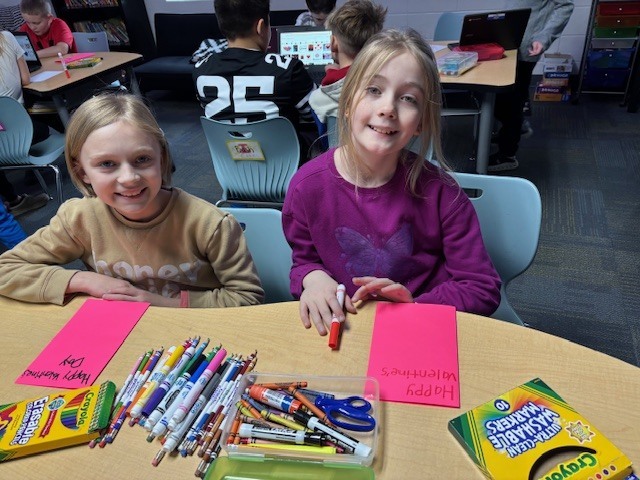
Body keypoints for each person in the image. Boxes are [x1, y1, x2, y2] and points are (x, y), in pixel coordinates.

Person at [282, 29, 501, 335]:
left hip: (417, 330)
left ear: (420, 122)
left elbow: (481, 287)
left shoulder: (443, 195)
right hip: (347, 331)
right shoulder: (306, 188)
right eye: (373, 90)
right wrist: (312, 277)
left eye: (408, 98)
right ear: (347, 102)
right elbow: (304, 258)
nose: (387, 108)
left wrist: (414, 306)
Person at [0, 93, 264, 308]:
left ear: (161, 159)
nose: (128, 178)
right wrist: (81, 280)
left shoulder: (210, 224)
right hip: (120, 334)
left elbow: (246, 298)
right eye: (107, 164)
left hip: (193, 337)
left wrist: (158, 302)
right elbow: (6, 269)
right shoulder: (78, 218)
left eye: (142, 159)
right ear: (82, 172)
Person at [194, 0, 317, 159]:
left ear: (222, 25)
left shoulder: (200, 69)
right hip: (284, 166)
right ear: (261, 27)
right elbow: (313, 115)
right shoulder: (288, 67)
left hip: (231, 165)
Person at [489, 0, 574, 172]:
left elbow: (565, 6)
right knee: (502, 98)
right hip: (510, 41)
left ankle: (507, 155)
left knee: (511, 100)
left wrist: (544, 37)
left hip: (526, 46)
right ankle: (515, 129)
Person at [309, 0, 386, 141]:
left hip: (337, 161)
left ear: (333, 43)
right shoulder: (390, 88)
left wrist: (334, 75)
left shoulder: (318, 99)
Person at [0, 29, 51, 216]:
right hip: (21, 133)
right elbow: (25, 79)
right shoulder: (6, 37)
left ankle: (12, 200)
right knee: (44, 125)